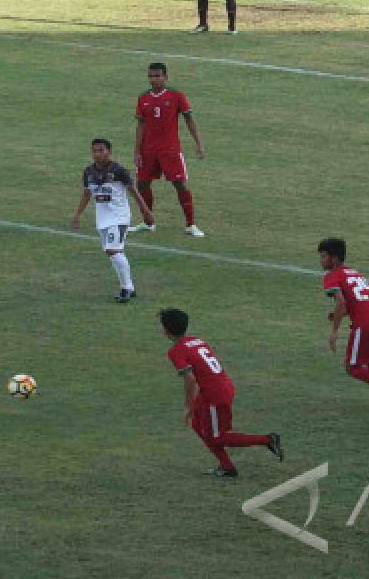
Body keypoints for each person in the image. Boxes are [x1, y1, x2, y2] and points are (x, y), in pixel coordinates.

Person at [160, 307, 283, 478]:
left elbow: (190, 380)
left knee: (217, 437)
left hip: (214, 394)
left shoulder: (176, 351)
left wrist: (188, 406)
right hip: (218, 386)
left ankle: (268, 440)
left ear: (166, 330)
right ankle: (227, 467)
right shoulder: (197, 340)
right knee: (197, 424)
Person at [71, 138, 154, 303]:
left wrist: (145, 211)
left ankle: (126, 289)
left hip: (119, 217)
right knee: (114, 253)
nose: (97, 154)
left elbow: (133, 191)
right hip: (103, 219)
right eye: (94, 151)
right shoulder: (89, 172)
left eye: (101, 150)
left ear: (108, 152)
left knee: (113, 251)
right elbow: (87, 193)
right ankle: (129, 287)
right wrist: (77, 215)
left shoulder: (119, 170)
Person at [318, 237, 369, 410]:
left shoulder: (331, 276)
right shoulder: (354, 273)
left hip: (365, 324)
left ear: (335, 258)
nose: (321, 261)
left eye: (323, 256)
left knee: (352, 367)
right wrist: (341, 313)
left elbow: (341, 302)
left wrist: (334, 331)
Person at [129, 63, 206, 237]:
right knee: (142, 184)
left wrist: (199, 143)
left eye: (157, 76)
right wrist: (137, 149)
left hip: (170, 150)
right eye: (150, 76)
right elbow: (140, 124)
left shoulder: (176, 96)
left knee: (180, 185)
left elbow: (189, 120)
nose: (153, 80)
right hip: (148, 150)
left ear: (165, 77)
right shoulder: (143, 98)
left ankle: (190, 224)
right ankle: (148, 222)